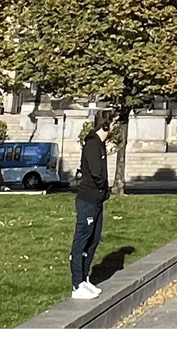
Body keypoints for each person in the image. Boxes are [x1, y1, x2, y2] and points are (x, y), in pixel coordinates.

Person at [70, 110, 113, 299]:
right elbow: (96, 173)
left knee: (94, 239)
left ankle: (85, 278)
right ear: (105, 125)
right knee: (83, 238)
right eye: (113, 124)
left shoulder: (101, 145)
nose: (114, 128)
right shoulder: (92, 144)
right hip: (88, 199)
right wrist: (104, 187)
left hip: (96, 199)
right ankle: (77, 283)